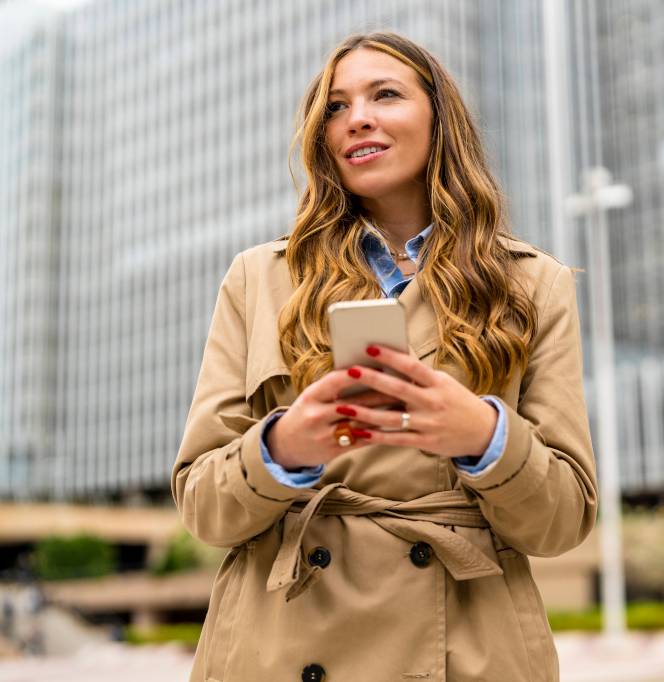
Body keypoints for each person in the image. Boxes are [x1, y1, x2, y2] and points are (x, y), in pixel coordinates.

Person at [172, 31, 596, 682]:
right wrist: (282, 447)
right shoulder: (260, 277)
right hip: (280, 643)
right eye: (336, 107)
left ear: (439, 119)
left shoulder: (533, 284)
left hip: (466, 647)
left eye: (385, 94)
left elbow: (562, 521)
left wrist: (483, 437)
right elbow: (202, 506)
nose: (357, 117)